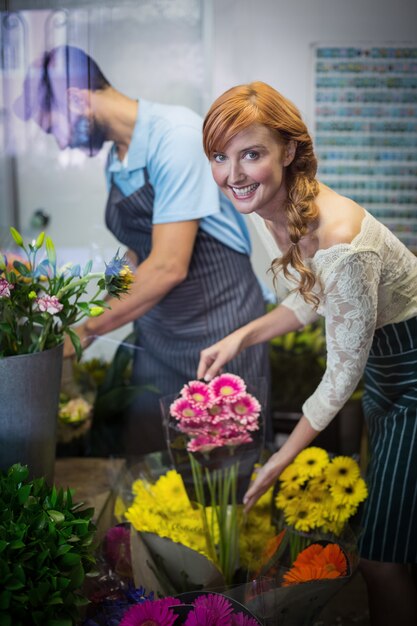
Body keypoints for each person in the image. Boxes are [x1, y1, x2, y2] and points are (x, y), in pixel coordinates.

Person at [197, 81, 417, 626]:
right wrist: (238, 338)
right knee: (392, 538)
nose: (233, 175)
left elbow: (341, 375)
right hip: (387, 377)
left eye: (251, 154)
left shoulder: (340, 242)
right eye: (220, 157)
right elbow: (309, 299)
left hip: (411, 375)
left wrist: (278, 460)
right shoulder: (273, 207)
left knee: (382, 562)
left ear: (289, 151)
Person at [13, 47, 270, 455]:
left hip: (219, 325)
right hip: (159, 334)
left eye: (54, 126)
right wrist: (85, 307)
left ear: (77, 99)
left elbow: (168, 266)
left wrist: (83, 333)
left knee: (220, 468)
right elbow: (138, 255)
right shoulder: (117, 158)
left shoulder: (177, 137)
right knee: (151, 460)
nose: (60, 140)